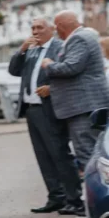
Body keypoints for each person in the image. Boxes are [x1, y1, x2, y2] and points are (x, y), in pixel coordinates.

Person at [8, 17, 83, 215]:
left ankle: (73, 198)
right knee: (43, 156)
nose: (35, 31)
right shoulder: (31, 49)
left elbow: (71, 74)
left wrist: (52, 88)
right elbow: (14, 71)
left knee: (59, 154)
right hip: (31, 109)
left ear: (52, 29)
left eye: (40, 27)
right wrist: (22, 50)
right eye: (32, 27)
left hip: (50, 108)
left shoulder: (61, 47)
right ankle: (55, 197)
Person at [40, 11, 109, 177]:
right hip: (83, 106)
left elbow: (71, 67)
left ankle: (97, 197)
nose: (56, 31)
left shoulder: (80, 38)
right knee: (90, 152)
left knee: (88, 154)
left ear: (61, 26)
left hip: (83, 107)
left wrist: (49, 65)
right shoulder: (82, 37)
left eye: (56, 27)